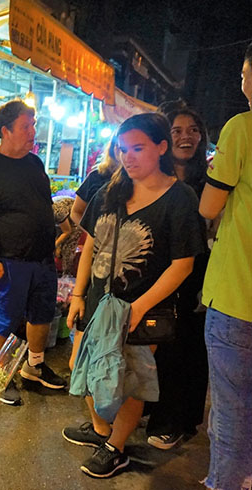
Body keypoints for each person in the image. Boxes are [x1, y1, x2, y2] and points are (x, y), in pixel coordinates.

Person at [62, 113, 204, 478]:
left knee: (129, 380)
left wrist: (138, 308)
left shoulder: (180, 198)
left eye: (138, 148)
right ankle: (101, 431)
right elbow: (89, 246)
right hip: (96, 302)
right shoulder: (110, 190)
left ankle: (116, 447)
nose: (128, 157)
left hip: (141, 309)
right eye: (123, 149)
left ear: (160, 147)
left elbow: (182, 265)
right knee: (85, 368)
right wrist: (78, 295)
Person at [0, 99, 66, 407]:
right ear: (5, 131)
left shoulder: (35, 164)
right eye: (26, 126)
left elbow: (41, 207)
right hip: (8, 263)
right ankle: (0, 376)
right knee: (2, 321)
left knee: (41, 315)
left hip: (42, 262)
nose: (33, 132)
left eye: (33, 125)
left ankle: (34, 366)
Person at [197, 42, 252, 490]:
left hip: (239, 296)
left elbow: (209, 207)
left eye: (243, 74)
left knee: (232, 410)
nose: (241, 83)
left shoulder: (242, 127)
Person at [145, 105, 211, 449]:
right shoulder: (155, 176)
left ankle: (177, 420)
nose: (185, 136)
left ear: (201, 137)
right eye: (177, 130)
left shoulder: (212, 179)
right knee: (154, 344)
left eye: (193, 130)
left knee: (187, 346)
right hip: (159, 270)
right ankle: (148, 410)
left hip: (199, 272)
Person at [70, 135, 120, 225]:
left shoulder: (140, 179)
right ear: (112, 149)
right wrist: (94, 235)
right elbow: (76, 212)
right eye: (119, 147)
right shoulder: (97, 176)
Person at [53, 196, 81, 274]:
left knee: (68, 247)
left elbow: (67, 231)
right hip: (62, 219)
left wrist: (55, 244)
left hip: (74, 217)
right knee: (58, 248)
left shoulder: (57, 212)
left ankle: (67, 273)